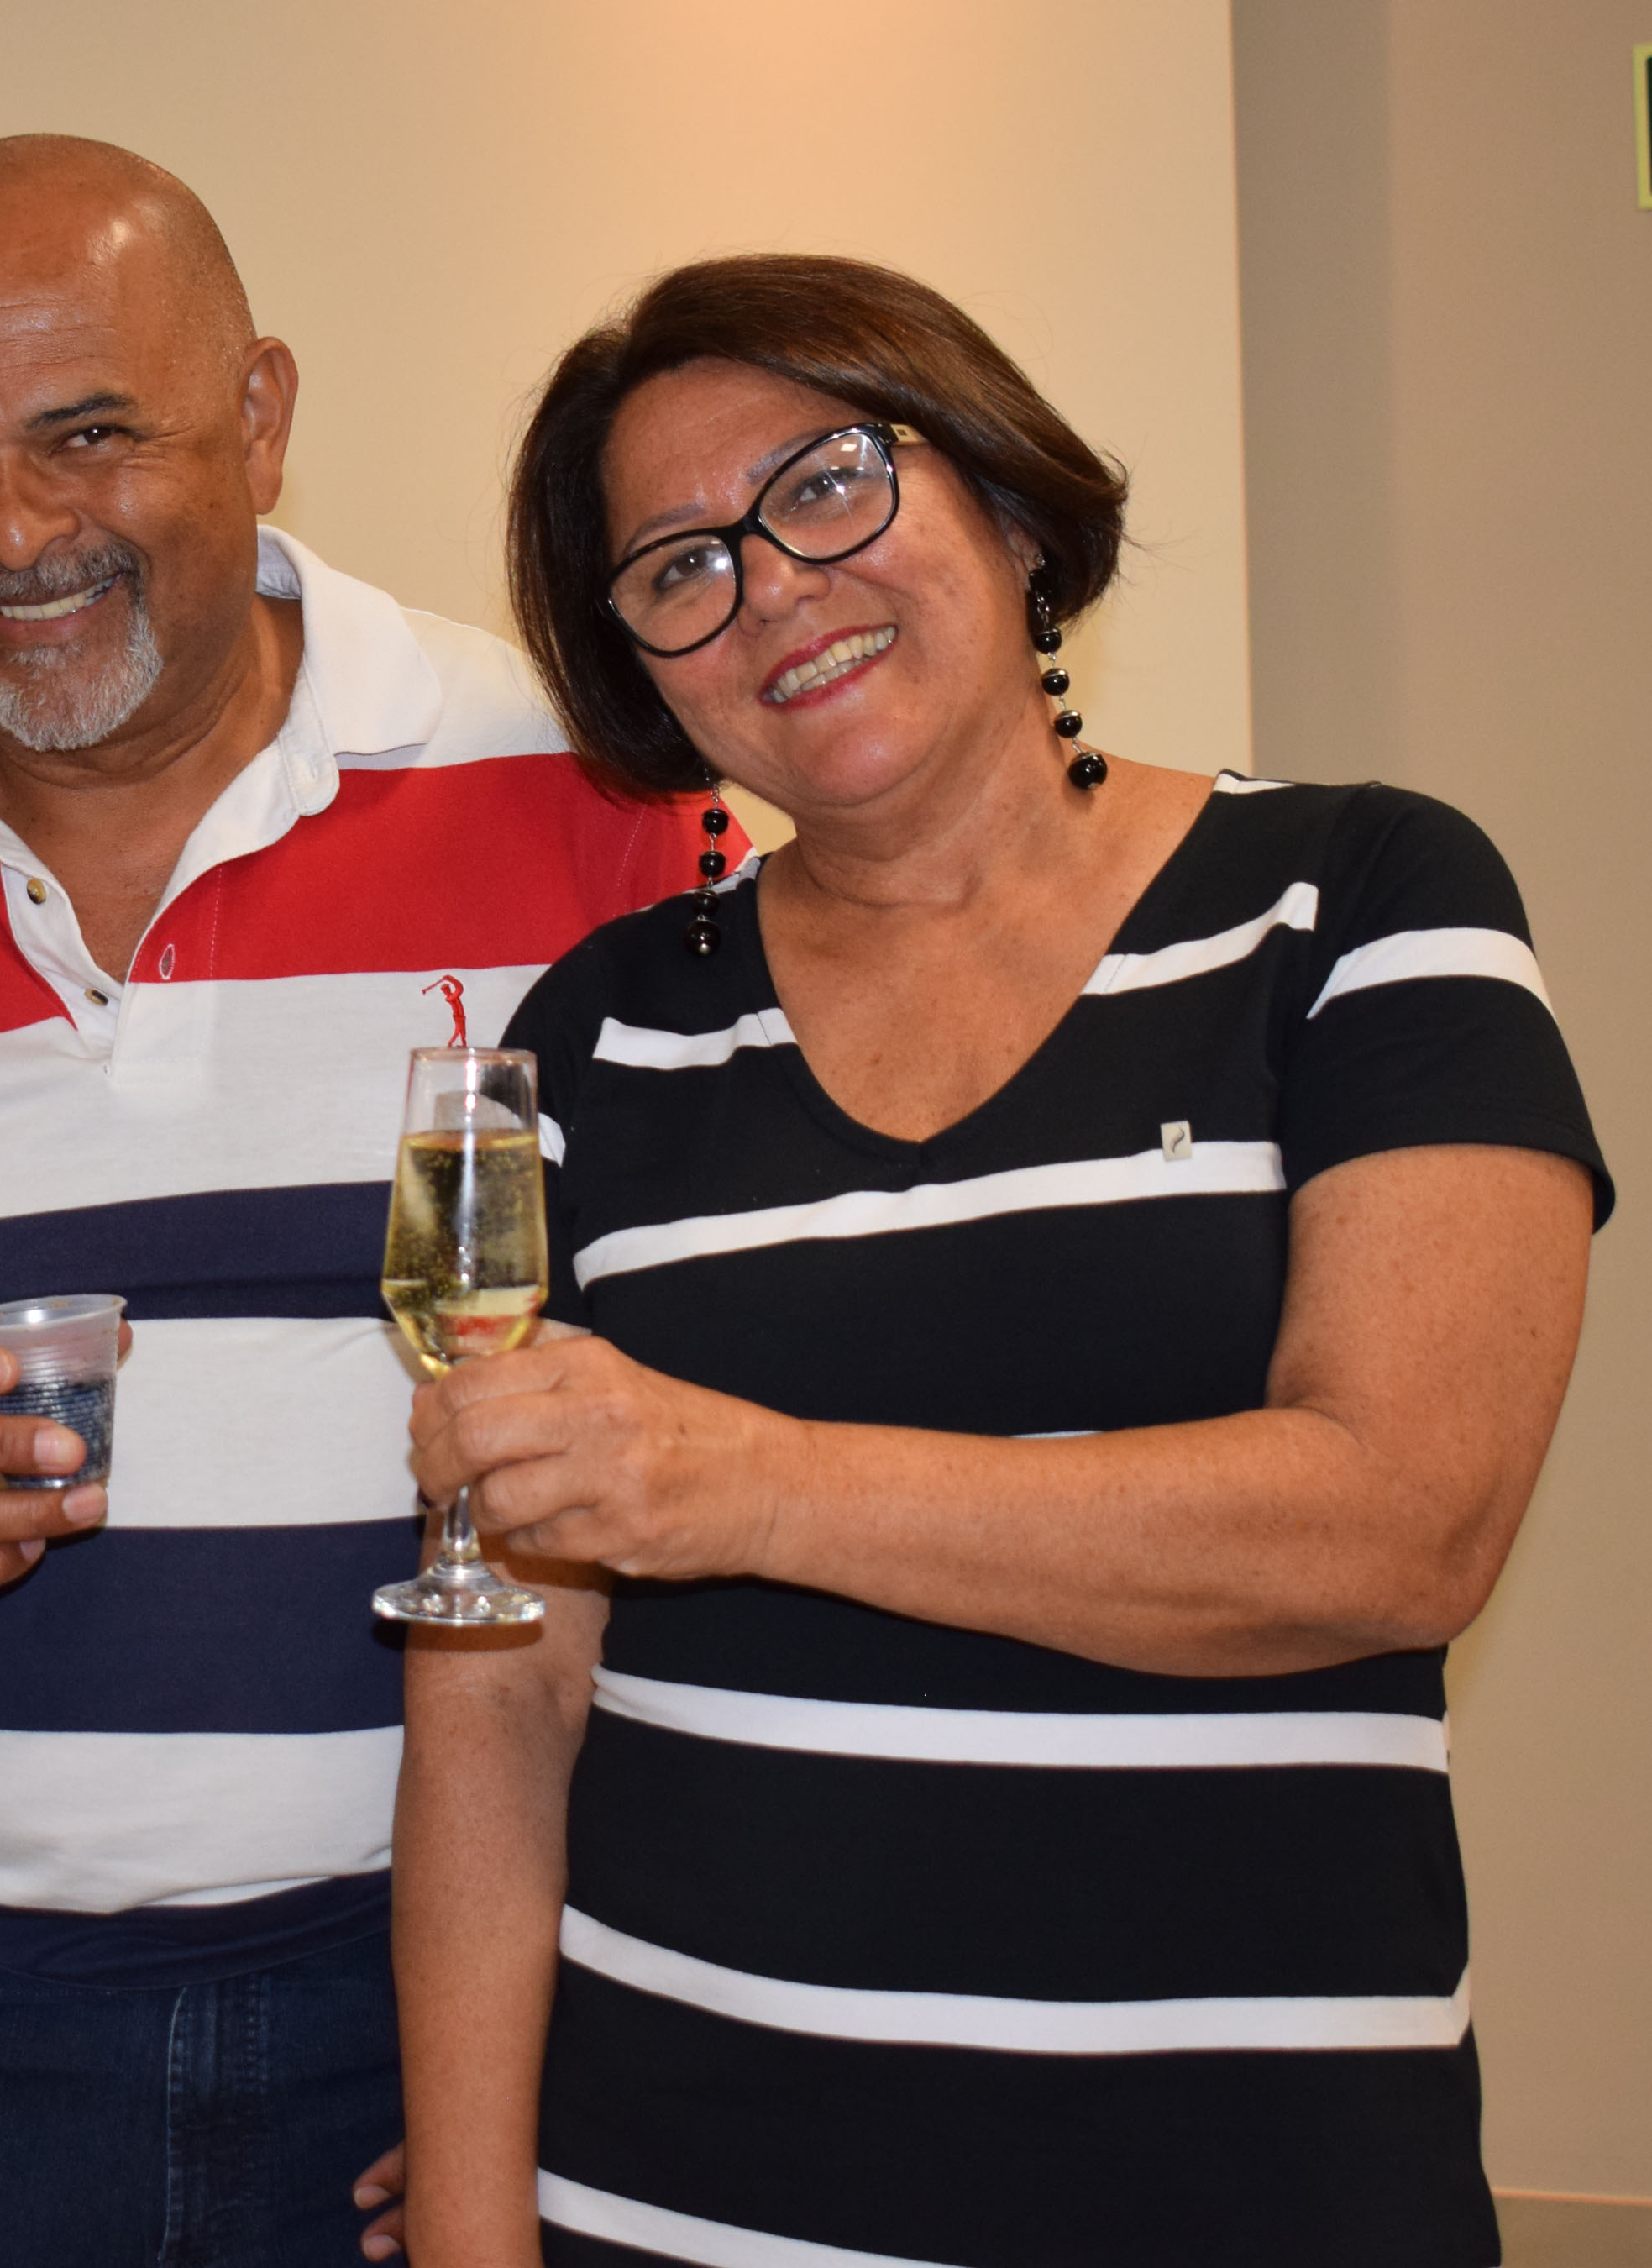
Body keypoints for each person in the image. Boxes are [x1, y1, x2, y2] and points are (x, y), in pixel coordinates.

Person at [0, 138, 723, 2267]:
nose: (12, 533)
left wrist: (556, 2033)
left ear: (261, 417)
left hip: (442, 2006)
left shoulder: (597, 803)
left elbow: (754, 1422)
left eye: (90, 432)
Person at [392, 253, 1613, 2268]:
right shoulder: (599, 1030)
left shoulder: (1358, 899)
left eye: (826, 482)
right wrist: (467, 2232)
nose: (771, 586)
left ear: (1010, 505)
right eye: (678, 567)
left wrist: (752, 1485)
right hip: (674, 2202)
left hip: (1258, 2198)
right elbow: (499, 1715)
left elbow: (1403, 1527)